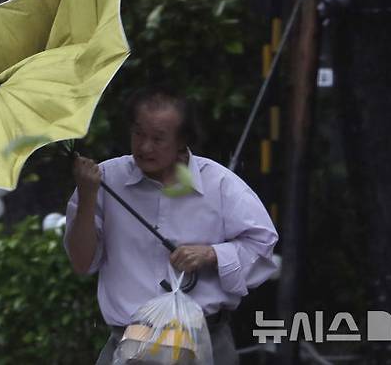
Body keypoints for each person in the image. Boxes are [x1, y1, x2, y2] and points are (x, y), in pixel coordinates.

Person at [64, 87, 279, 365]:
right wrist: (88, 195)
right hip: (130, 347)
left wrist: (212, 254)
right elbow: (82, 263)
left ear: (183, 140)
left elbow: (261, 246)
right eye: (139, 134)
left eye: (158, 138)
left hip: (203, 344)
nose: (144, 147)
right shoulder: (104, 180)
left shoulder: (220, 184)